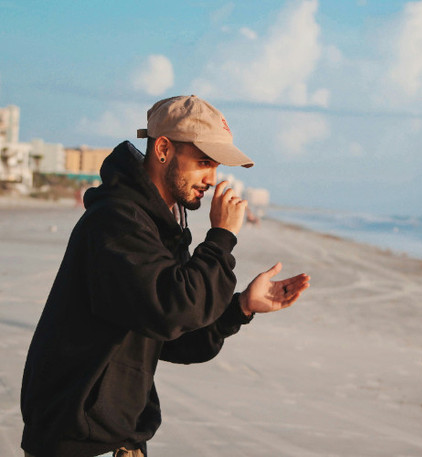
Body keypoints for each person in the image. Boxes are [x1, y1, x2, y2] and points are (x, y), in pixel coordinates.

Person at [20, 95, 310, 457]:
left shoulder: (159, 226)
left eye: (215, 166)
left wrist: (241, 308)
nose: (211, 178)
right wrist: (221, 239)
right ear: (162, 149)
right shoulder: (117, 222)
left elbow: (174, 337)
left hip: (120, 439)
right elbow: (174, 309)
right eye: (203, 162)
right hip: (76, 440)